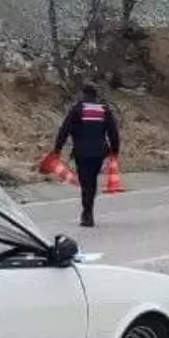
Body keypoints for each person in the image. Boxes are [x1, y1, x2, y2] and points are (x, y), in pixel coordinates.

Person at [53, 82, 121, 228]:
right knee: (92, 180)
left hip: (81, 151)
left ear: (83, 94)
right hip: (98, 152)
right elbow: (113, 132)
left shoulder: (78, 109)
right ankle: (88, 211)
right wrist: (115, 151)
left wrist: (57, 149)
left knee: (85, 181)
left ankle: (87, 212)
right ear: (95, 95)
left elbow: (64, 129)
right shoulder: (104, 109)